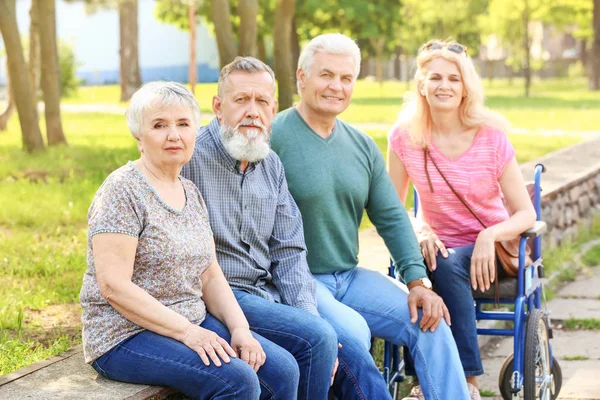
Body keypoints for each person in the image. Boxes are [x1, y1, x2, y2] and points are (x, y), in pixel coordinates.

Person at [271, 34, 470, 400]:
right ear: (301, 77)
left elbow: (392, 217)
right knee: (354, 331)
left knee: (431, 322)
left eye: (346, 78)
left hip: (349, 276)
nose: (336, 86)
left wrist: (418, 283)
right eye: (326, 75)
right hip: (296, 280)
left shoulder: (361, 145)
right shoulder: (273, 137)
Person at [79, 81, 301, 400]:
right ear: (139, 136)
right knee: (236, 380)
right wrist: (188, 333)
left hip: (190, 320)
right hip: (125, 335)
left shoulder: (190, 192)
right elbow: (114, 286)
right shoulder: (121, 191)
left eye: (183, 124)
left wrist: (240, 329)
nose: (174, 135)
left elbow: (210, 274)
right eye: (159, 125)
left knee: (282, 369)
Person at [181, 57, 339, 400]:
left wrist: (306, 314)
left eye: (262, 102)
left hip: (266, 295)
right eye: (241, 101)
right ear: (219, 107)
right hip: (218, 297)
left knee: (348, 352)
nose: (252, 111)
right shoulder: (189, 157)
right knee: (317, 341)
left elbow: (289, 250)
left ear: (274, 108)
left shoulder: (271, 164)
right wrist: (313, 329)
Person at [387, 39, 537, 399]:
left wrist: (489, 235)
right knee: (425, 265)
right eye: (435, 77)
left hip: (496, 251)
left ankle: (466, 381)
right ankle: (427, 378)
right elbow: (391, 208)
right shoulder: (404, 138)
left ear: (465, 86)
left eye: (454, 79)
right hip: (436, 249)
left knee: (446, 261)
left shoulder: (491, 138)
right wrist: (419, 226)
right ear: (421, 84)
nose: (444, 85)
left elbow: (525, 213)